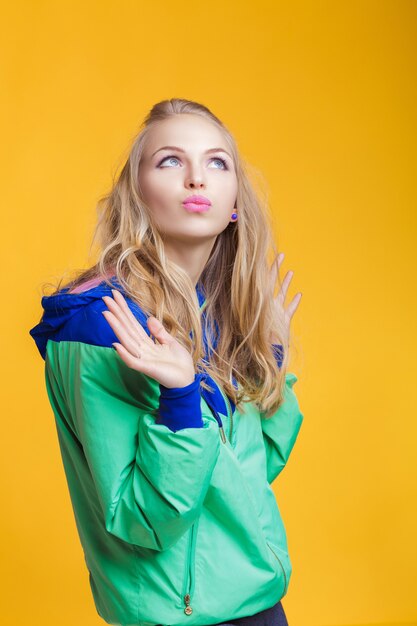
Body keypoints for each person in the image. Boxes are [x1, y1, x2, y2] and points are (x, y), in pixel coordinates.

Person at [29, 98, 304, 626]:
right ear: (137, 195)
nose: (197, 178)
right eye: (171, 161)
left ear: (235, 207)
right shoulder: (102, 324)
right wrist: (179, 400)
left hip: (259, 607)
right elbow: (141, 520)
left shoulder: (216, 310)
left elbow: (246, 475)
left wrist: (269, 358)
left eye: (217, 162)